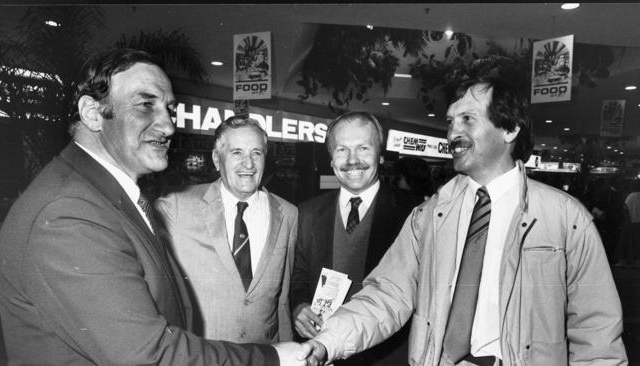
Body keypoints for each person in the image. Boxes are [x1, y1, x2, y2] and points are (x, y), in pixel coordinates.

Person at [0, 48, 307, 366]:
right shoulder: (69, 213)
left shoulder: (102, 196)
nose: (169, 126)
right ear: (92, 112)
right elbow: (149, 355)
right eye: (146, 105)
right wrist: (273, 358)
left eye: (170, 110)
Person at [302, 77, 627, 366]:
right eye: (451, 121)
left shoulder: (565, 218)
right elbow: (387, 295)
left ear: (510, 128)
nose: (453, 132)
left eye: (468, 119)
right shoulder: (428, 217)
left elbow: (596, 331)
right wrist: (327, 341)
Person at [155, 116, 297, 344]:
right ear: (216, 159)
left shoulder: (289, 214)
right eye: (237, 153)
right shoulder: (176, 207)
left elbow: (282, 301)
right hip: (202, 356)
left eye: (256, 153)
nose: (248, 164)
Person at [290, 111, 415, 366]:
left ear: (380, 155)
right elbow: (297, 277)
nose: (352, 160)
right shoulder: (307, 213)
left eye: (363, 148)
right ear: (331, 160)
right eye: (342, 150)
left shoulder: (412, 213)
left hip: (388, 357)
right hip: (321, 352)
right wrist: (298, 307)